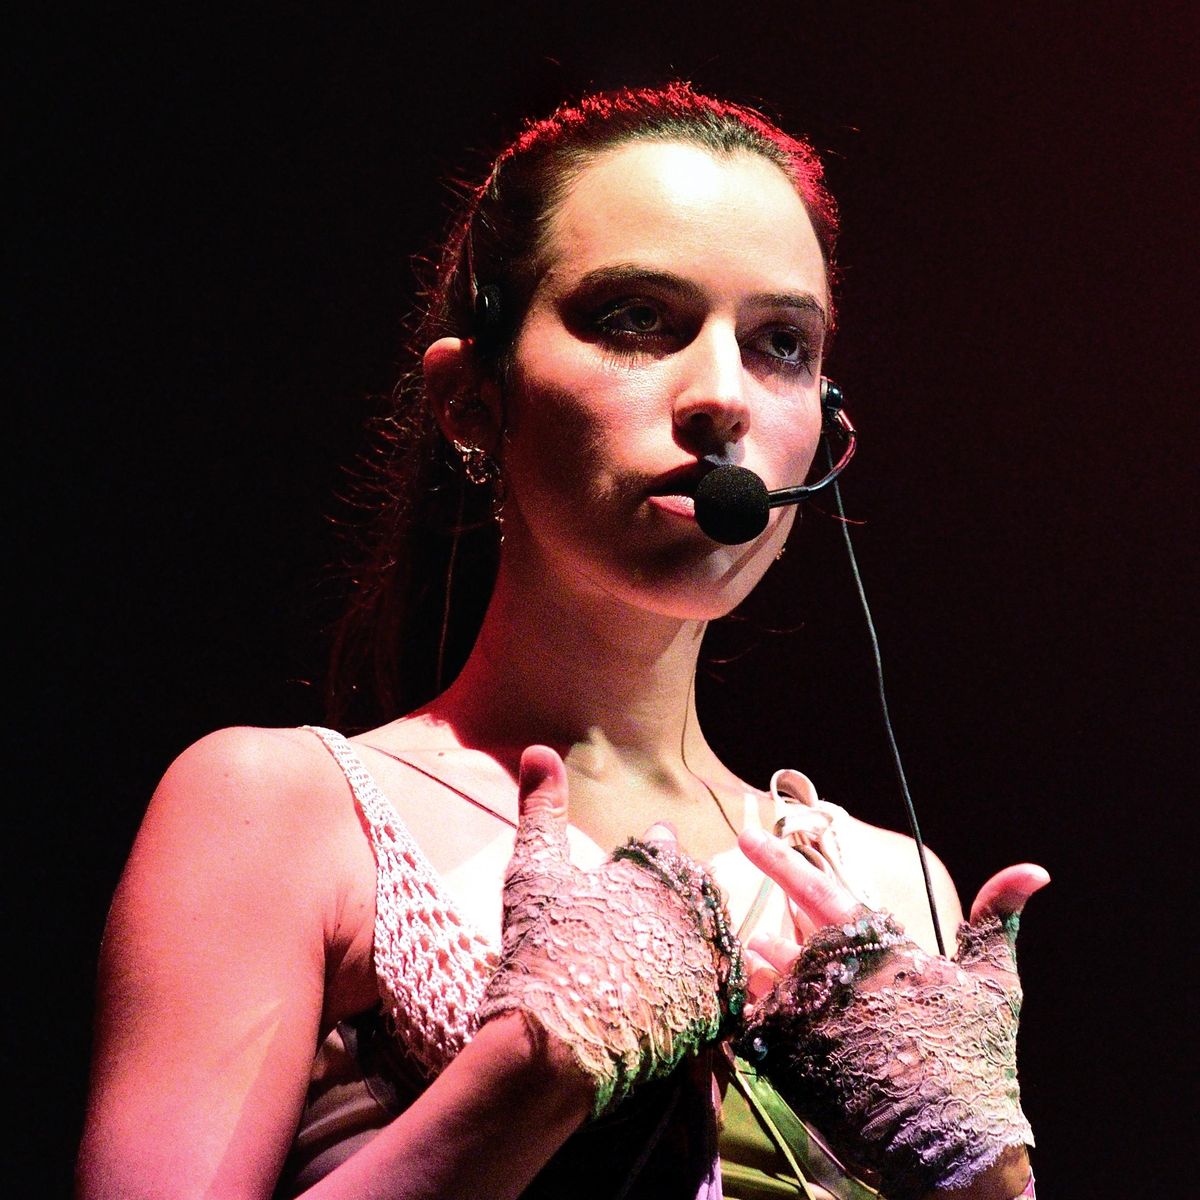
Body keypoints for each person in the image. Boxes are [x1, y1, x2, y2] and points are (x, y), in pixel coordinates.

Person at [77, 84, 1046, 1200]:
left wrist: (989, 1183)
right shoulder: (282, 815)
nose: (721, 397)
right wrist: (529, 1079)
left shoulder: (887, 890)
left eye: (781, 343)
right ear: (472, 399)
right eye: (636, 319)